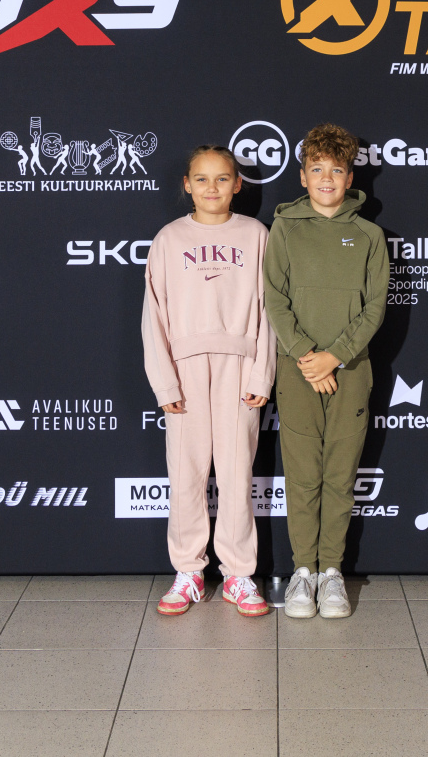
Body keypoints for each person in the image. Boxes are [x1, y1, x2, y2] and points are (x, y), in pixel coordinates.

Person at [142, 145, 274, 617]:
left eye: (222, 178)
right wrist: (165, 383)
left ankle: (238, 575)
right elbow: (153, 316)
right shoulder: (169, 238)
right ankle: (188, 572)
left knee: (237, 474)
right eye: (201, 178)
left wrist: (262, 373)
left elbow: (270, 312)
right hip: (185, 370)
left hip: (240, 365)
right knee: (186, 475)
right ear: (187, 184)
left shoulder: (256, 234)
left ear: (237, 184)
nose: (211, 187)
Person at [264, 123, 388, 619]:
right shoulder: (285, 229)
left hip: (350, 369)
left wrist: (334, 356)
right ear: (302, 177)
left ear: (350, 177)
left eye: (336, 170)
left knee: (340, 474)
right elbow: (274, 298)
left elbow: (375, 307)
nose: (327, 179)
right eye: (317, 169)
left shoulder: (370, 235)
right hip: (296, 369)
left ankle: (331, 571)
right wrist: (306, 356)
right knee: (302, 476)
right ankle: (303, 572)